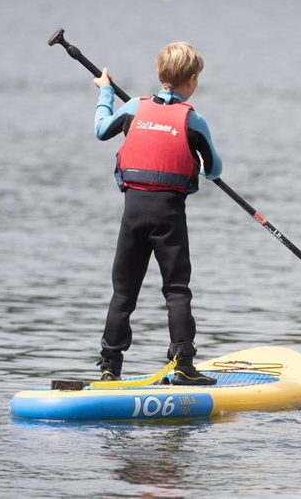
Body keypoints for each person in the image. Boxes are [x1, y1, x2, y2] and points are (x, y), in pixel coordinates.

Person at [92, 42, 222, 386]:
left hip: (132, 216)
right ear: (191, 80)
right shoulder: (193, 120)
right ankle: (183, 366)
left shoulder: (134, 108)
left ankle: (109, 368)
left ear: (160, 75)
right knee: (177, 291)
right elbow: (214, 169)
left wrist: (106, 91)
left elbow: (101, 129)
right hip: (169, 220)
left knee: (123, 293)